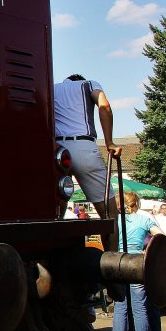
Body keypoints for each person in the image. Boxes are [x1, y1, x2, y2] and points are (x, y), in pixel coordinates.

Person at [53, 74, 121, 249]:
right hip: (83, 146)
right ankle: (112, 261)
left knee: (58, 205)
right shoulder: (89, 84)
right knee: (109, 213)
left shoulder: (53, 88)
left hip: (56, 148)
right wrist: (109, 142)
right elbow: (104, 106)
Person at [110, 191, 165, 331]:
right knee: (140, 308)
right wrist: (147, 251)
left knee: (120, 306)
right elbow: (160, 236)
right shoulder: (144, 220)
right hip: (136, 263)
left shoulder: (116, 221)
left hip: (117, 262)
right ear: (136, 204)